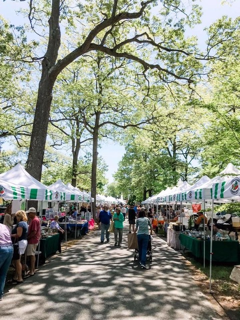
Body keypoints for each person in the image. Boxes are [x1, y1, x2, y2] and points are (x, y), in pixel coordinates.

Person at [11, 210, 28, 284]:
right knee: (17, 260)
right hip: (22, 243)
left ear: (19, 216)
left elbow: (18, 235)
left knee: (17, 261)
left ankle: (19, 278)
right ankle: (16, 276)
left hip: (19, 243)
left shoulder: (20, 224)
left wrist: (9, 235)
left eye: (17, 216)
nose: (16, 218)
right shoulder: (24, 223)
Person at [0, 223, 13, 301]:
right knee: (3, 274)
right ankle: (0, 294)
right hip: (10, 248)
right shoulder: (4, 226)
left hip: (1, 249)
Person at [26, 207, 41, 276]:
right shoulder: (35, 219)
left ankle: (32, 270)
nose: (28, 215)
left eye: (29, 213)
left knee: (32, 255)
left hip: (33, 240)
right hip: (34, 239)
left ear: (32, 213)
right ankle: (32, 269)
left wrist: (27, 237)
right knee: (32, 254)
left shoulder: (34, 220)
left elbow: (34, 232)